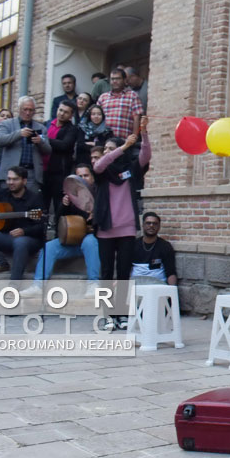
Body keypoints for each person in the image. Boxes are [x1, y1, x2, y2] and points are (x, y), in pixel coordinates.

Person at [93, 118, 150, 325]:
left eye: (111, 148)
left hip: (126, 229)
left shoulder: (130, 169)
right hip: (106, 228)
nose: (107, 151)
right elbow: (99, 165)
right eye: (105, 148)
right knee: (106, 273)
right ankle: (107, 315)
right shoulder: (102, 172)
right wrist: (123, 146)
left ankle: (122, 313)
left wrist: (143, 133)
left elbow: (146, 156)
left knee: (124, 272)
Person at [24, 164, 100, 295]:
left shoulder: (100, 194)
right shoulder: (71, 196)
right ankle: (37, 286)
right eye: (79, 176)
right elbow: (59, 221)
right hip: (73, 240)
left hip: (93, 242)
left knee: (89, 241)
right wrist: (64, 206)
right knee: (49, 247)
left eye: (86, 175)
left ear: (92, 178)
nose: (83, 179)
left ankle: (93, 283)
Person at [0, 166, 45, 279]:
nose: (10, 182)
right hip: (5, 237)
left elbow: (41, 226)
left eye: (15, 179)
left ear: (24, 181)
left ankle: (14, 284)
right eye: (9, 179)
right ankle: (0, 262)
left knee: (20, 242)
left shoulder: (35, 199)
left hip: (28, 239)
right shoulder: (2, 194)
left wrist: (24, 231)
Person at [0, 96, 51, 190]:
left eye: (31, 110)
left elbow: (48, 150)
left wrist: (40, 142)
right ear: (19, 109)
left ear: (34, 111)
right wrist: (18, 134)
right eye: (25, 109)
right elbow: (0, 141)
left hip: (31, 174)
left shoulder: (41, 128)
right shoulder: (7, 124)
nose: (28, 113)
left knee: (30, 203)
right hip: (10, 172)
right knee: (8, 203)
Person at [42, 102, 80, 220]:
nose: (62, 114)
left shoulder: (72, 129)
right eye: (61, 110)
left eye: (66, 112)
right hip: (43, 170)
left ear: (71, 116)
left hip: (59, 173)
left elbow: (65, 145)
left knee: (59, 204)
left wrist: (44, 139)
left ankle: (59, 233)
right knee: (42, 205)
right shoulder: (47, 124)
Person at [130, 212, 176, 285]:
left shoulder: (165, 246)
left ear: (159, 226)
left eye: (155, 223)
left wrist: (173, 292)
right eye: (148, 223)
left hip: (157, 286)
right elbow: (125, 270)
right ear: (143, 225)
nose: (151, 226)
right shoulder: (133, 245)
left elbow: (171, 272)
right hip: (136, 285)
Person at [96, 68, 143, 138]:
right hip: (104, 140)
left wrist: (134, 137)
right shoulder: (103, 97)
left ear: (124, 80)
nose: (114, 81)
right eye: (112, 79)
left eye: (118, 79)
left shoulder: (132, 95)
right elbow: (96, 117)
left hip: (124, 142)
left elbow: (137, 118)